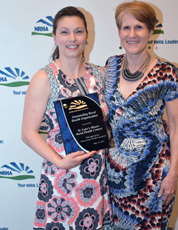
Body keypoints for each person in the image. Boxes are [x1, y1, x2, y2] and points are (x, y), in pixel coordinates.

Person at [22, 6, 112, 230]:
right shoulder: (44, 77)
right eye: (64, 32)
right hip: (62, 180)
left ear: (87, 36)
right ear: (54, 37)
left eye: (78, 31)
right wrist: (60, 162)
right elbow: (28, 133)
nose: (72, 38)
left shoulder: (100, 74)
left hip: (98, 179)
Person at [104, 1, 178, 229]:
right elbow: (107, 117)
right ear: (119, 32)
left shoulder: (167, 72)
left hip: (154, 174)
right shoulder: (111, 65)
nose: (132, 34)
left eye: (139, 27)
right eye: (125, 28)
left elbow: (177, 123)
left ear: (150, 31)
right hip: (116, 174)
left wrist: (172, 174)